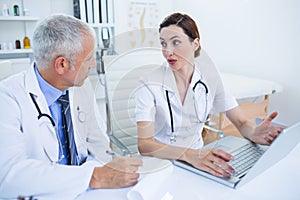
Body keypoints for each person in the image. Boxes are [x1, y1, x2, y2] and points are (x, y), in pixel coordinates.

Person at [0, 14, 142, 199]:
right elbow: (9, 175)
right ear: (62, 64)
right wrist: (94, 177)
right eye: (89, 58)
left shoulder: (81, 86)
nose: (93, 64)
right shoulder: (7, 98)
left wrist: (112, 169)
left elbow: (98, 142)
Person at [135, 13, 284, 178]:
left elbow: (241, 122)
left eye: (176, 42)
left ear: (195, 44)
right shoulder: (149, 83)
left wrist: (254, 132)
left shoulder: (210, 77)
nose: (168, 51)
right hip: (160, 164)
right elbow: (144, 144)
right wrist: (188, 154)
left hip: (197, 163)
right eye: (163, 44)